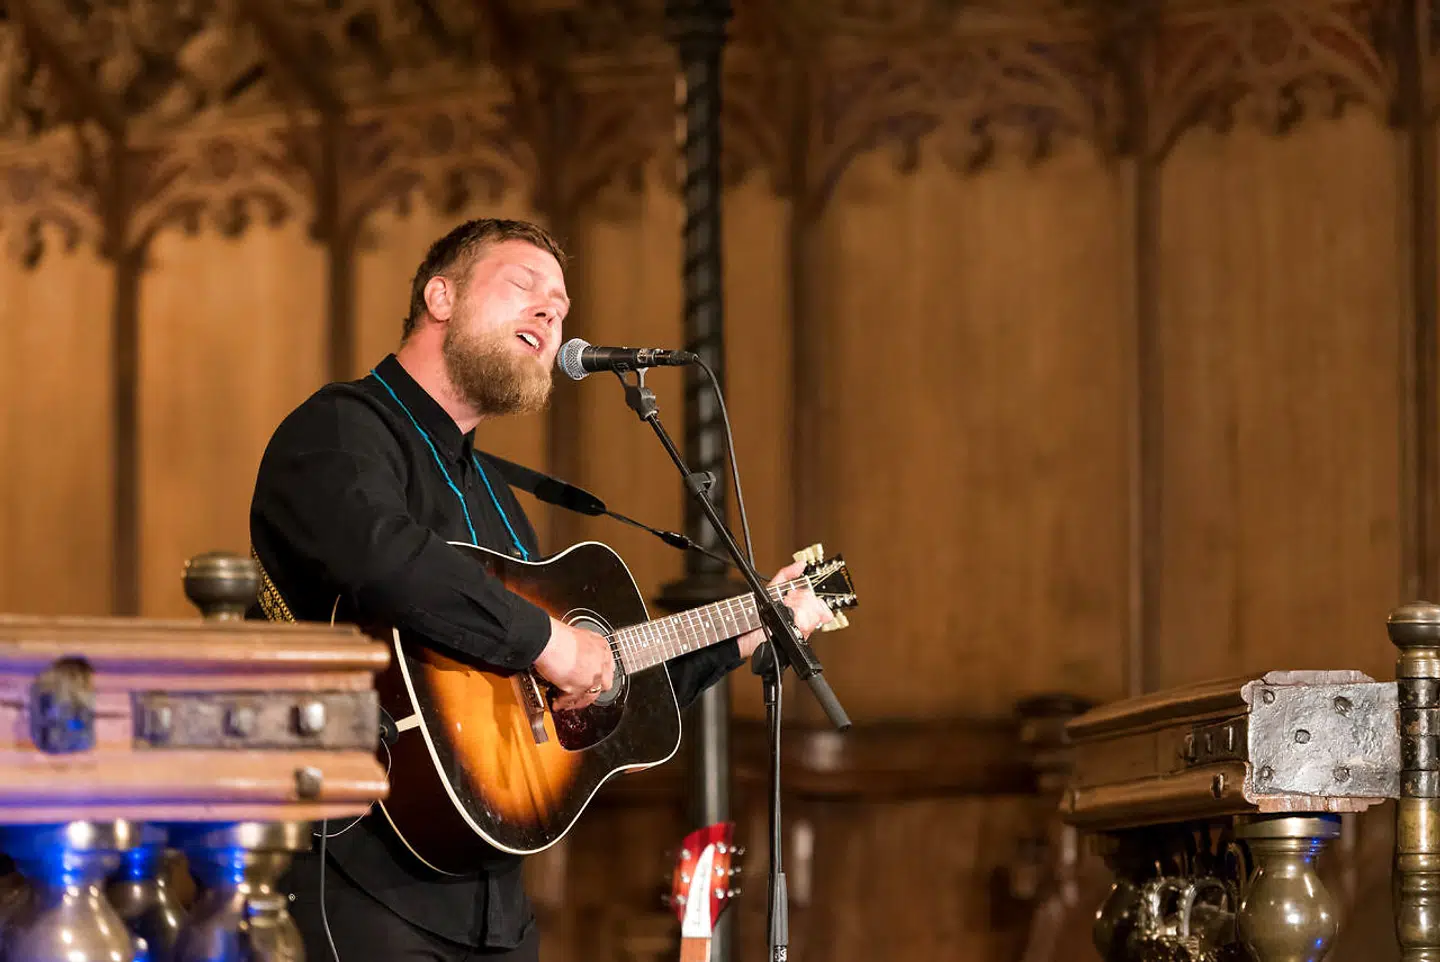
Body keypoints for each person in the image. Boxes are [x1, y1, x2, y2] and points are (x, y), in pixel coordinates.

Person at [248, 217, 834, 962]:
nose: (550, 313)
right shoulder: (340, 430)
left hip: (496, 905)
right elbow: (382, 558)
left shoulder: (498, 498)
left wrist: (743, 634)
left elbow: (586, 706)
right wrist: (550, 641)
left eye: (560, 308)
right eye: (524, 287)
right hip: (360, 878)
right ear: (441, 296)